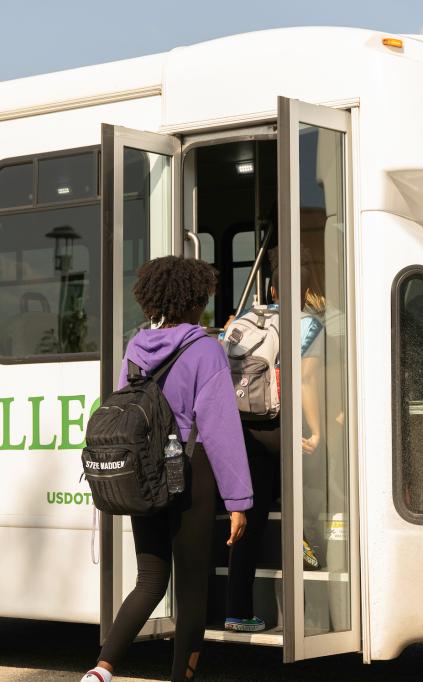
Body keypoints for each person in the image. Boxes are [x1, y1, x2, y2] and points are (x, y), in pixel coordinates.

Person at [81, 256, 253, 682]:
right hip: (190, 474)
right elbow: (220, 431)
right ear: (195, 302)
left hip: (145, 472)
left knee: (150, 581)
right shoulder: (206, 349)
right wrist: (239, 501)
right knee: (193, 596)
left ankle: (101, 668)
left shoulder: (136, 348)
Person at [224, 248, 324, 633]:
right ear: (304, 290)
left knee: (250, 516)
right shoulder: (307, 323)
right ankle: (313, 601)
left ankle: (237, 610)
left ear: (271, 288)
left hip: (246, 427)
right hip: (283, 428)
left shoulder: (246, 320)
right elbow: (306, 380)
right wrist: (315, 430)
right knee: (314, 498)